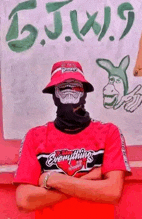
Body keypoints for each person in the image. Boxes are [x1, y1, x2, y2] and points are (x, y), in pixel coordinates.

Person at [14, 61, 131, 219]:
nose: (70, 94)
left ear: (84, 93)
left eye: (75, 87)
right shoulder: (35, 137)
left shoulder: (109, 133)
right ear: (54, 95)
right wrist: (89, 179)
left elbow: (112, 192)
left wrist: (52, 179)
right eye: (63, 88)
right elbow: (25, 201)